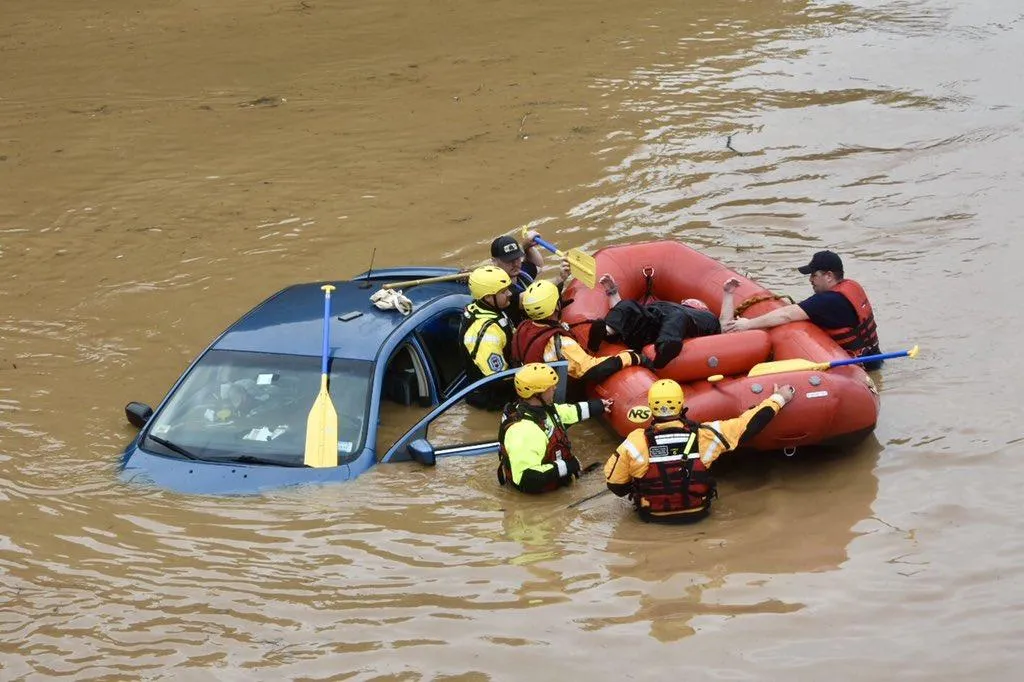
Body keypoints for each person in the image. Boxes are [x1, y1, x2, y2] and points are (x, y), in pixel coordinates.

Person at [604, 378, 796, 523]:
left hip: (652, 516)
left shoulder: (635, 441)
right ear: (681, 404)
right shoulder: (705, 435)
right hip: (698, 514)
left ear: (650, 407)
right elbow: (747, 426)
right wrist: (779, 398)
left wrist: (646, 487)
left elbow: (615, 485)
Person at [722, 250, 882, 369]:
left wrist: (747, 324)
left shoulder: (828, 300)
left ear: (828, 276)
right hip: (875, 358)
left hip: (860, 368)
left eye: (814, 275)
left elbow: (786, 315)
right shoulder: (851, 286)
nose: (810, 279)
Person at [498, 363, 612, 494]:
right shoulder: (524, 431)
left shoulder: (543, 410)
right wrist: (567, 466)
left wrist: (598, 406)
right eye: (550, 387)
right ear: (537, 393)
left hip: (554, 478)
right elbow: (527, 478)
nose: (555, 388)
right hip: (536, 496)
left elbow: (568, 412)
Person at [512, 279, 647, 384]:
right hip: (551, 393)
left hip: (531, 382)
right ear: (556, 307)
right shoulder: (559, 342)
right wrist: (629, 357)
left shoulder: (524, 326)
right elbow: (590, 370)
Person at [587, 273, 724, 369]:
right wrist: (612, 291)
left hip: (675, 327)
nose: (689, 301)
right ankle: (606, 331)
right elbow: (625, 311)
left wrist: (728, 294)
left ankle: (664, 348)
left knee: (678, 317)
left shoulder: (706, 317)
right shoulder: (667, 305)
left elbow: (726, 325)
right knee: (629, 305)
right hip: (651, 323)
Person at [460, 265, 516, 409]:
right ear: (488, 297)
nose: (510, 293)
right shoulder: (486, 333)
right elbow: (499, 378)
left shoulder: (484, 308)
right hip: (493, 400)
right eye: (504, 291)